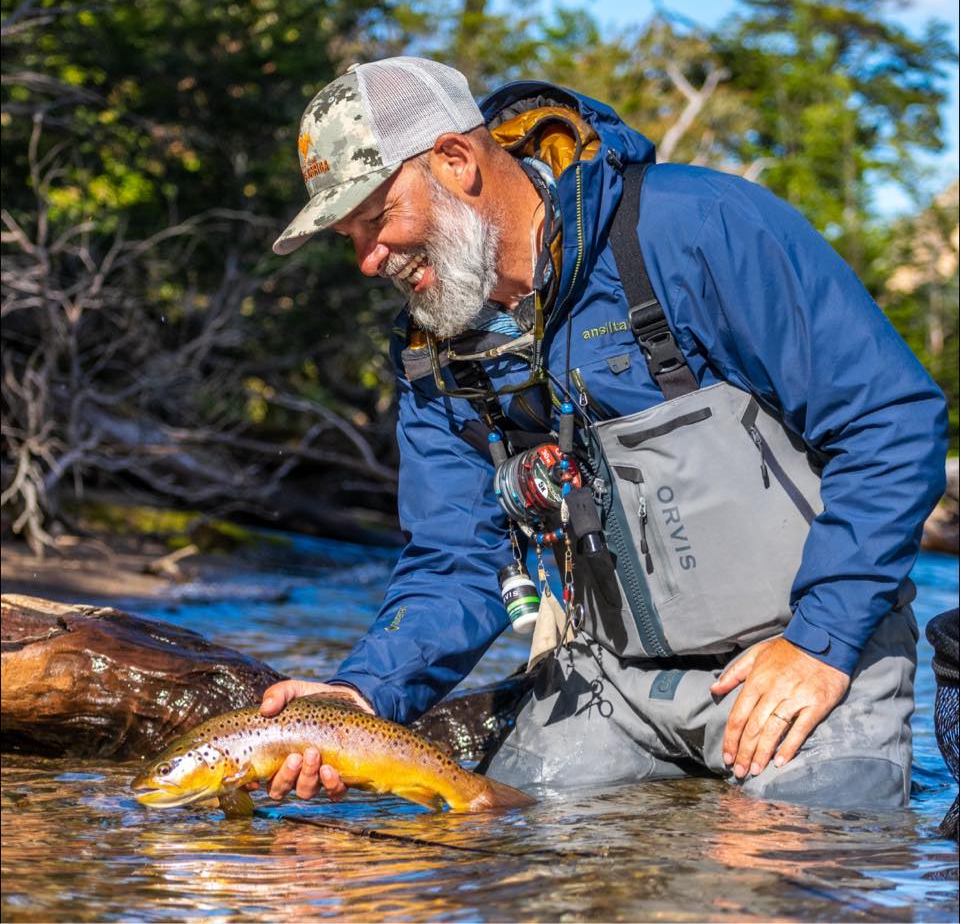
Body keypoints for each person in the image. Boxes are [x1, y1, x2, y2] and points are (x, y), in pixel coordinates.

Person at [261, 57, 947, 808]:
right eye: (349, 236)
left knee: (792, 865)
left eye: (376, 219)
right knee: (492, 842)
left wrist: (821, 640)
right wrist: (360, 694)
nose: (367, 261)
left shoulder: (695, 228)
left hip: (801, 654)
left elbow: (891, 421)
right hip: (609, 683)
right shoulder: (431, 345)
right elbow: (458, 557)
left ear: (456, 160)